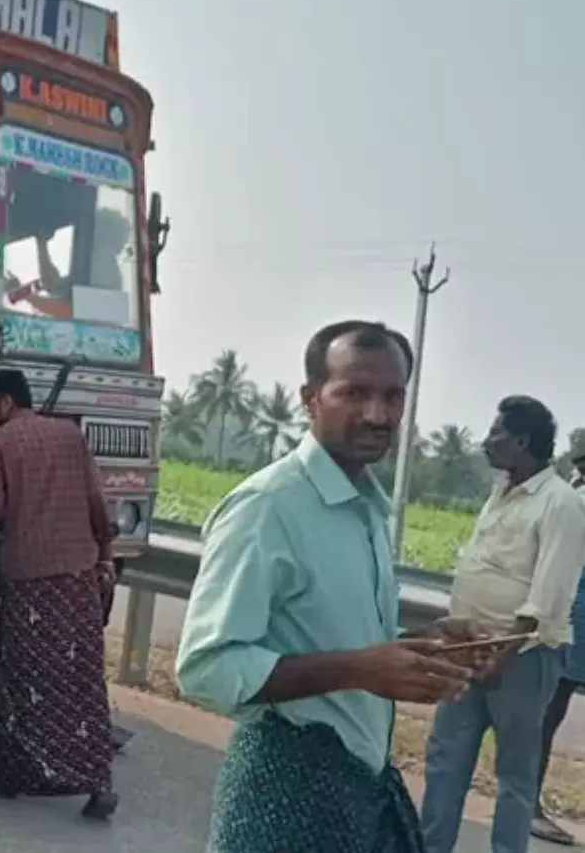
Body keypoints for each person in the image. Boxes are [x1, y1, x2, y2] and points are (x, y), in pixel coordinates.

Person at [176, 320, 485, 853]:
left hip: (359, 786)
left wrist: (421, 640)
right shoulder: (269, 508)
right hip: (286, 786)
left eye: (393, 396)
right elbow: (206, 667)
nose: (377, 414)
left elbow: (336, 635)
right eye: (354, 393)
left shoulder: (366, 507)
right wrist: (361, 669)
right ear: (310, 399)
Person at [422, 396, 585, 853]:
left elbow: (548, 594)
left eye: (495, 434)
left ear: (521, 440)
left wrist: (504, 654)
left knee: (514, 773)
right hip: (468, 649)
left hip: (523, 659)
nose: (485, 442)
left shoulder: (561, 503)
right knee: (445, 758)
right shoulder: (500, 491)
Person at [0, 368, 118, 820]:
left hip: (28, 576)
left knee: (21, 677)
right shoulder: (71, 435)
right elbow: (98, 502)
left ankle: (11, 775)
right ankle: (97, 783)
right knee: (80, 681)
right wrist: (105, 552)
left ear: (4, 402)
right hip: (78, 574)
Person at [531, 454, 585, 846]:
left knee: (550, 711)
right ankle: (526, 804)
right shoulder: (576, 500)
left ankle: (526, 802)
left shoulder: (573, 494)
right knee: (548, 711)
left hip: (572, 613)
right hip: (574, 614)